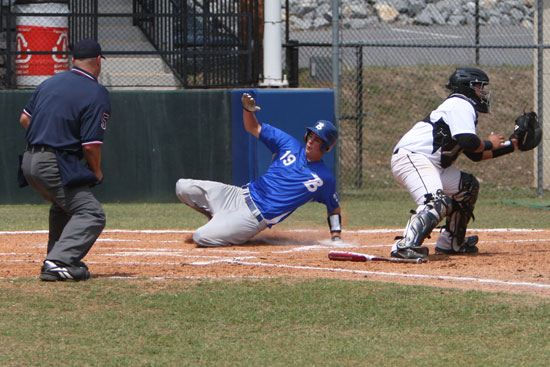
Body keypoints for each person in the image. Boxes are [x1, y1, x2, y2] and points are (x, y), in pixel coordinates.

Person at [175, 92, 342, 247]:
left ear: (326, 147)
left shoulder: (324, 178)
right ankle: (218, 219)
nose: (311, 141)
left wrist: (336, 235)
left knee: (200, 237)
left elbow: (333, 206)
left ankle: (228, 226)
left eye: (318, 139)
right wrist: (248, 111)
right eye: (311, 135)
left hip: (252, 217)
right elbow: (253, 128)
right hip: (238, 195)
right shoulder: (289, 144)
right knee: (182, 187)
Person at [390, 67, 520, 260]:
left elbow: (474, 154)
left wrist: (514, 145)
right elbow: (470, 142)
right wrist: (490, 142)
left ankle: (451, 242)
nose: (482, 92)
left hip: (430, 164)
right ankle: (404, 246)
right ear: (466, 87)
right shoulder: (460, 103)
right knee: (436, 201)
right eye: (479, 86)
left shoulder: (461, 107)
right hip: (413, 158)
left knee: (467, 186)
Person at [19, 39, 111, 281]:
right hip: (54, 163)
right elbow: (91, 145)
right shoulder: (96, 91)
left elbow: (24, 119)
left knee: (63, 206)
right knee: (91, 213)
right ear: (99, 60)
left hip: (29, 160)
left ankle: (57, 254)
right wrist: (96, 171)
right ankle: (58, 261)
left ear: (74, 60)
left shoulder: (50, 83)